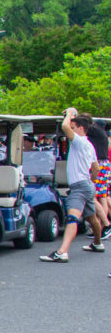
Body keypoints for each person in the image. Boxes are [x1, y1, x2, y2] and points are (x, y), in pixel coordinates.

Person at [42, 109, 103, 261]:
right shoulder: (89, 145)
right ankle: (97, 243)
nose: (71, 131)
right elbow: (96, 168)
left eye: (74, 127)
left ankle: (62, 252)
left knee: (72, 218)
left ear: (81, 128)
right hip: (87, 185)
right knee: (92, 219)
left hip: (79, 187)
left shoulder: (79, 141)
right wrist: (90, 179)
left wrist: (70, 113)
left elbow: (64, 127)